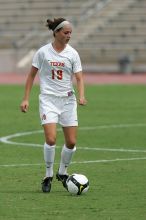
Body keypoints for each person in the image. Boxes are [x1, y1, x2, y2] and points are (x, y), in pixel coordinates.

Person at [20, 17, 87, 193]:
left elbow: (79, 77)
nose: (69, 35)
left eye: (71, 33)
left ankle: (62, 172)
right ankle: (48, 175)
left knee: (71, 142)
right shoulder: (43, 52)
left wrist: (81, 96)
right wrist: (26, 98)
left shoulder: (73, 53)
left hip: (67, 101)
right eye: (66, 32)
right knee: (51, 139)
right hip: (48, 100)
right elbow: (31, 76)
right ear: (56, 32)